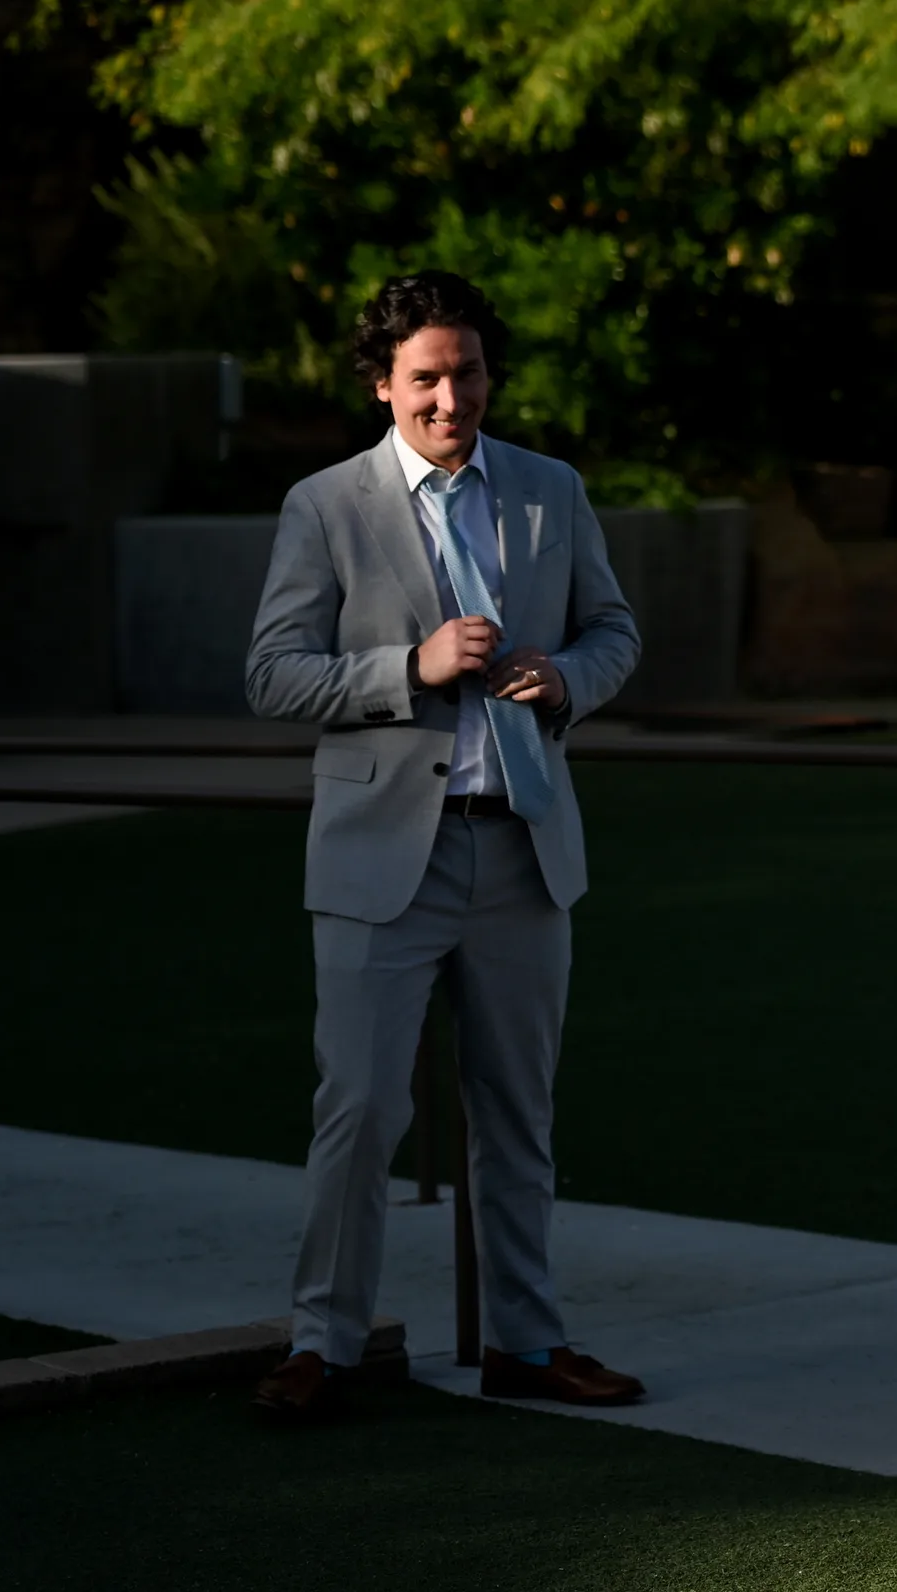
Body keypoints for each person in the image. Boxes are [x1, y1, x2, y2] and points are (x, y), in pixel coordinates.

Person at [244, 271, 645, 1417]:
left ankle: (526, 1340)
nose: (449, 398)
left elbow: (614, 630)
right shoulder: (326, 504)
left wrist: (566, 678)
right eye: (424, 377)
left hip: (522, 851)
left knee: (519, 1117)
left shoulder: (550, 489)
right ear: (382, 384)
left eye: (466, 373)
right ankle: (323, 1345)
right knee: (361, 1112)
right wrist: (406, 670)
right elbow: (273, 674)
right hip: (380, 861)